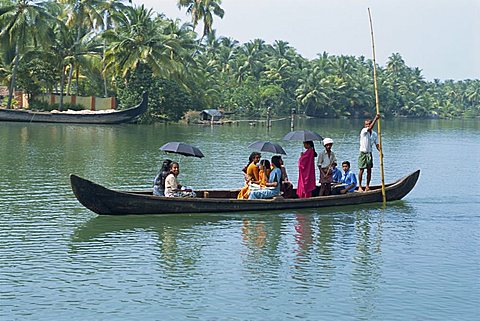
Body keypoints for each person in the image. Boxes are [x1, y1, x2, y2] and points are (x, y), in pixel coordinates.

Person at [358, 114, 380, 191]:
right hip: (363, 153)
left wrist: (380, 151)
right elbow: (369, 128)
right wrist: (376, 118)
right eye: (366, 124)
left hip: (369, 153)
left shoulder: (374, 134)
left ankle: (367, 186)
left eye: (368, 124)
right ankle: (360, 186)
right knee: (361, 169)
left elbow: (377, 144)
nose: (367, 126)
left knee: (369, 170)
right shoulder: (364, 131)